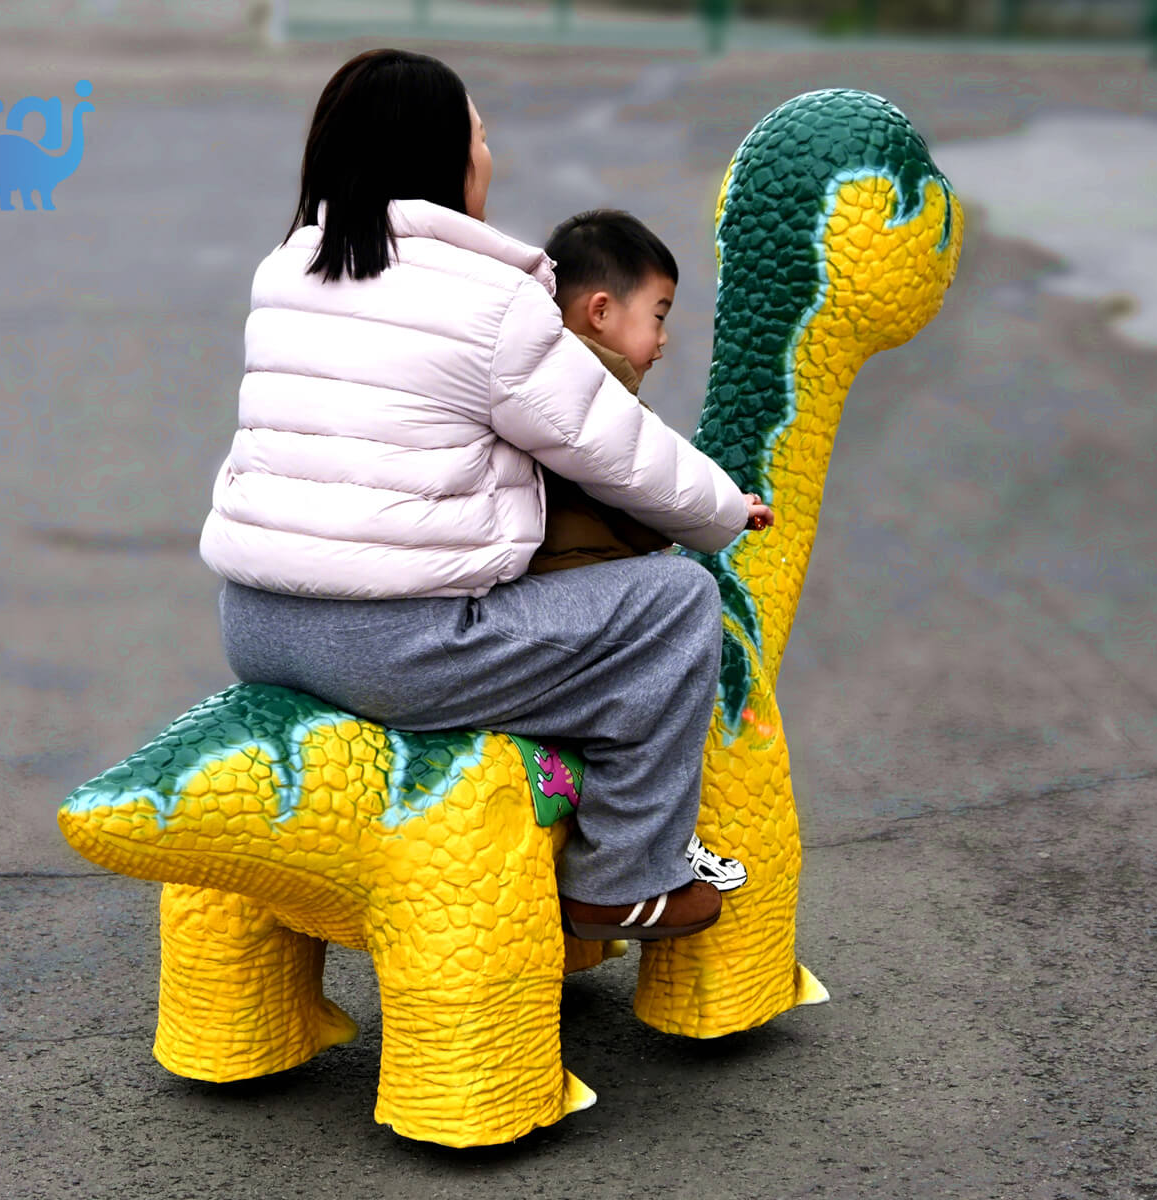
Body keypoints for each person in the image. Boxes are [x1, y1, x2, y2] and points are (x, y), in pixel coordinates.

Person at [201, 48, 775, 942]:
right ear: (440, 157)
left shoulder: (285, 270)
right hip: (392, 644)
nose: (488, 156)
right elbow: (619, 450)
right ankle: (626, 877)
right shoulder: (491, 300)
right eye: (478, 136)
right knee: (676, 603)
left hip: (256, 623)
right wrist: (725, 509)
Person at [530, 207, 757, 893]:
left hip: (539, 591)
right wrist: (727, 508)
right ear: (601, 311)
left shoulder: (537, 374)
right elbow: (654, 495)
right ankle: (646, 851)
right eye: (657, 316)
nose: (662, 340)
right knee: (675, 640)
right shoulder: (591, 399)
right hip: (564, 595)